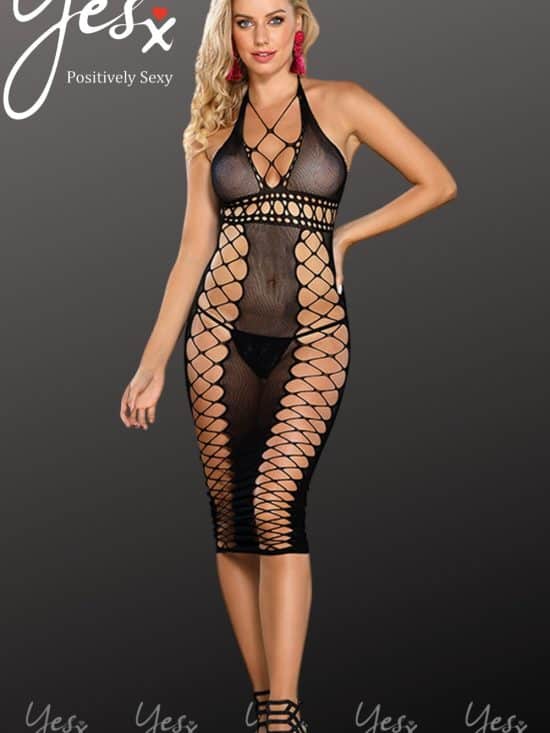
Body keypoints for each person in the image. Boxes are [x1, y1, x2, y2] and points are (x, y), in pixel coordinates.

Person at [120, 1, 457, 730]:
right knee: (232, 524)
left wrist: (348, 237)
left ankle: (282, 713)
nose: (262, 36)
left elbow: (437, 181)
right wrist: (151, 362)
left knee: (275, 506)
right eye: (245, 22)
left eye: (276, 19)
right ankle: (271, 712)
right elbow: (192, 248)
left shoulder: (344, 103)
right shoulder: (211, 123)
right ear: (229, 31)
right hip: (216, 338)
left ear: (298, 24)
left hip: (315, 337)